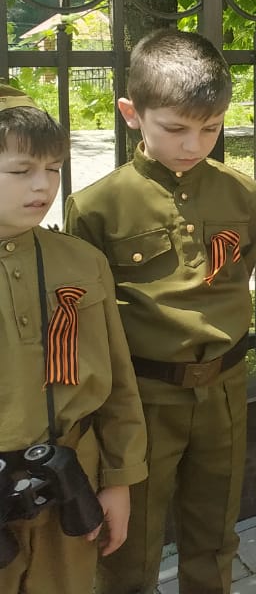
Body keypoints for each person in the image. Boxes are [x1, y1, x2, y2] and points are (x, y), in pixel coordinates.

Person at [65, 30, 256, 594]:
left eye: (211, 128)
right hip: (144, 398)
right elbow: (92, 322)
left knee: (215, 535)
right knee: (129, 550)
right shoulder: (98, 206)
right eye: (175, 128)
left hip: (224, 389)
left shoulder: (242, 194)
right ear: (132, 113)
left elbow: (240, 272)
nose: (193, 145)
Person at [0, 85, 147, 594]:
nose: (42, 185)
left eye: (54, 168)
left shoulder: (81, 263)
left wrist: (119, 479)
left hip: (70, 483)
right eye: (21, 170)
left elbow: (118, 384)